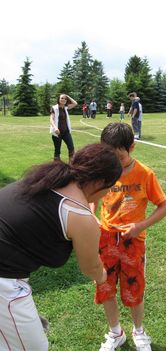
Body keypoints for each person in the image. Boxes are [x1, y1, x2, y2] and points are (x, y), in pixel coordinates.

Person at [0, 143, 122, 351]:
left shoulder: (47, 179)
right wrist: (103, 276)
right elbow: (91, 268)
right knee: (35, 347)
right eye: (110, 187)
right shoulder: (81, 215)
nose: (107, 193)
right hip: (5, 281)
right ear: (100, 182)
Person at [93, 123, 166, 351]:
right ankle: (116, 332)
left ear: (132, 147)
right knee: (105, 286)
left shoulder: (145, 174)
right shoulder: (103, 171)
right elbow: (92, 197)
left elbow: (164, 206)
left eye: (119, 156)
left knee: (134, 290)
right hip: (106, 240)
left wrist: (141, 225)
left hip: (133, 243)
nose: (114, 162)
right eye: (109, 155)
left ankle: (138, 331)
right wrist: (91, 215)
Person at [50, 94, 78, 162]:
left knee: (71, 148)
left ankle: (71, 164)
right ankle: (56, 165)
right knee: (57, 150)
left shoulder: (66, 107)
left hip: (66, 132)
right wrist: (55, 128)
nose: (64, 100)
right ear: (59, 99)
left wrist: (67, 96)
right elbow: (51, 119)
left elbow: (75, 103)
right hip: (57, 132)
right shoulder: (54, 108)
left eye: (65, 99)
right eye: (62, 98)